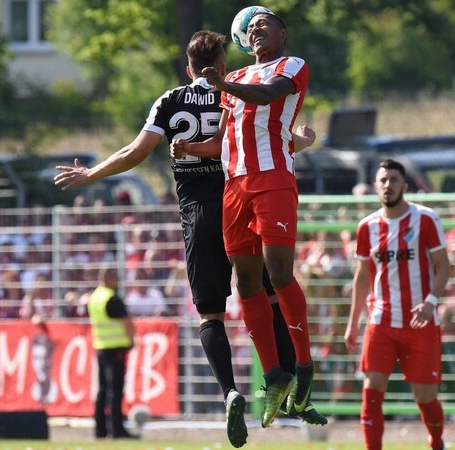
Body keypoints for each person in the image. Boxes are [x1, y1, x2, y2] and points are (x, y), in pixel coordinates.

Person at [55, 29, 324, 447]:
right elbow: (255, 137)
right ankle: (287, 377)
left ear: (188, 68)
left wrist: (91, 174)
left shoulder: (172, 99)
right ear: (222, 65)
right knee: (270, 290)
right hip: (243, 195)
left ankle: (231, 391)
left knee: (211, 315)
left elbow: (136, 152)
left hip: (200, 213)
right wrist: (299, 143)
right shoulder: (235, 91)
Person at [170, 8, 318, 430]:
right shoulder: (231, 81)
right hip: (233, 186)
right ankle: (274, 375)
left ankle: (303, 366)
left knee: (280, 274)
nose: (255, 29)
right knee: (247, 283)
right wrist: (191, 148)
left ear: (283, 33)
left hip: (272, 178)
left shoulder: (291, 66)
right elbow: (225, 138)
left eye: (264, 24)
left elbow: (269, 95)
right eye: (250, 27)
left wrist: (223, 83)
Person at [344, 159, 451, 450]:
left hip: (421, 322)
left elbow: (443, 266)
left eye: (393, 179)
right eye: (383, 180)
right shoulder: (367, 226)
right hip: (381, 321)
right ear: (376, 186)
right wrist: (353, 323)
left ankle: (437, 442)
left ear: (405, 185)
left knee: (426, 397)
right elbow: (362, 276)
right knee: (372, 388)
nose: (388, 185)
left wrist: (430, 302)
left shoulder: (425, 219)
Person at [88, 267, 137, 440]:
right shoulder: (112, 298)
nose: (118, 281)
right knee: (115, 390)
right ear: (108, 278)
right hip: (116, 348)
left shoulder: (94, 297)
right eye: (115, 277)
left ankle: (99, 430)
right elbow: (126, 322)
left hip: (100, 346)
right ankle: (117, 430)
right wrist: (132, 340)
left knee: (102, 390)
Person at [29, 333, 58, 405]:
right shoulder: (32, 392)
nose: (40, 365)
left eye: (45, 358)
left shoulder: (56, 392)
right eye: (36, 358)